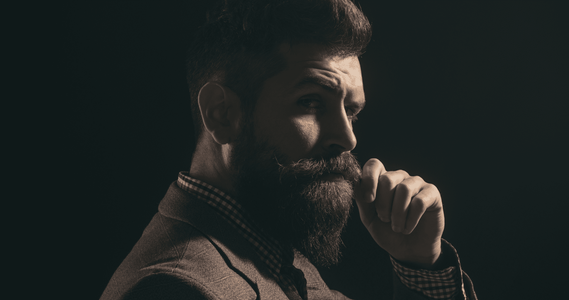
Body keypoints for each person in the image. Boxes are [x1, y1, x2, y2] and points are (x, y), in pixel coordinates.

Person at [100, 0, 477, 299]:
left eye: (351, 110)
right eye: (310, 102)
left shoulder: (269, 247)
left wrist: (419, 263)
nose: (347, 139)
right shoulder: (176, 290)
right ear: (222, 114)